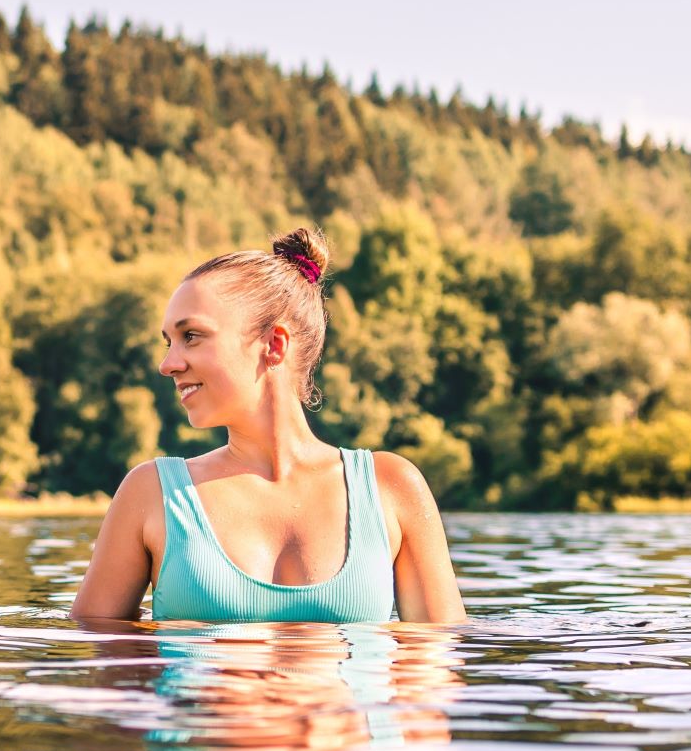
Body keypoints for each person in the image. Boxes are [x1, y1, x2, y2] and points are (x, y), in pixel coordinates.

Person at [73, 227, 466, 624]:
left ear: (274, 345)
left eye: (191, 336)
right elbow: (107, 669)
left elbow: (432, 672)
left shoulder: (391, 487)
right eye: (168, 342)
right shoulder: (151, 493)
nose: (168, 364)